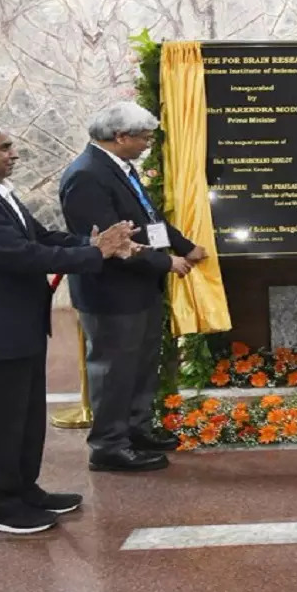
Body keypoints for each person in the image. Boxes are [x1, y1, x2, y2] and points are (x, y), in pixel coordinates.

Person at [0, 118, 137, 534]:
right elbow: (20, 255)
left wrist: (91, 244)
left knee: (23, 417)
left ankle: (23, 490)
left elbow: (41, 237)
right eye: (4, 148)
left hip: (17, 326)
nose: (14, 154)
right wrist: (96, 255)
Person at [60, 102, 206, 472]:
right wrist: (166, 262)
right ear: (120, 137)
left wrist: (185, 245)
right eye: (142, 137)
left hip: (140, 289)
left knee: (140, 366)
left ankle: (137, 430)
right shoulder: (86, 175)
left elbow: (147, 220)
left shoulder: (120, 169)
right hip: (111, 292)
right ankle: (109, 445)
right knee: (112, 371)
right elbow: (112, 242)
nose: (146, 144)